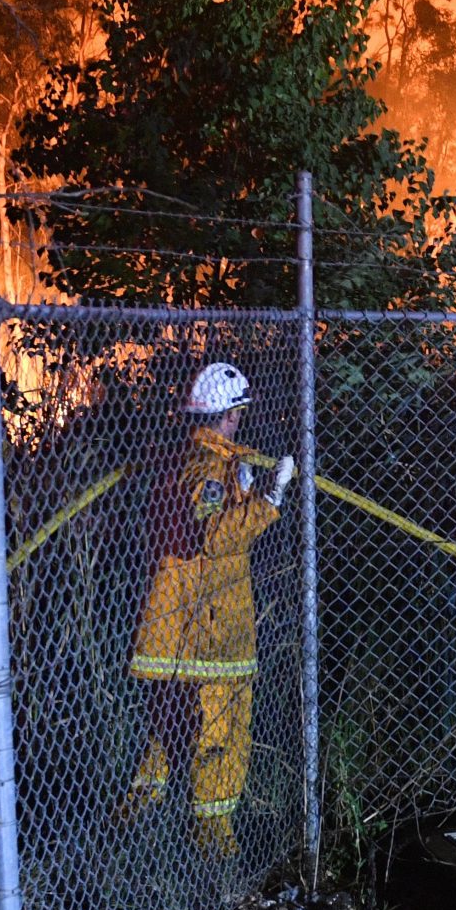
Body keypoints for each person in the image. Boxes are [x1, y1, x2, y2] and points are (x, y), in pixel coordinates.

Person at [122, 363, 294, 857]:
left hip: (194, 621)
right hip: (212, 626)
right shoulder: (207, 469)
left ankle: (140, 804)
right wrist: (270, 498)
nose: (241, 422)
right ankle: (211, 829)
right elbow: (217, 538)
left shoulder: (204, 458)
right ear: (229, 414)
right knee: (223, 727)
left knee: (171, 723)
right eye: (238, 413)